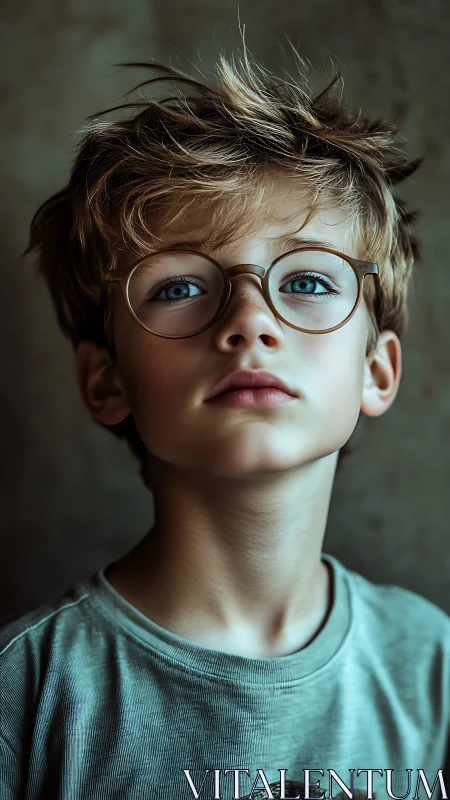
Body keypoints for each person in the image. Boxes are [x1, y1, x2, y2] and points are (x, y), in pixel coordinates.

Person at [1, 44, 449, 800]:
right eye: (179, 287)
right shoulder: (28, 694)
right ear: (107, 379)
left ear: (376, 371)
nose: (250, 321)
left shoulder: (433, 668)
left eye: (309, 281)